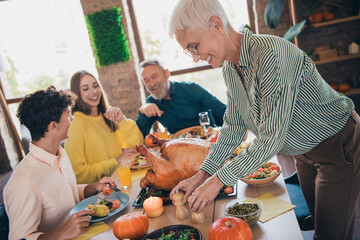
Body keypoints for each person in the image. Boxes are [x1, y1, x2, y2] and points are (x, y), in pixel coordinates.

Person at [168, 0, 360, 239]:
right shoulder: (230, 68)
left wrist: (218, 180)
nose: (195, 57)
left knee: (331, 235)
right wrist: (202, 175)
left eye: (194, 46)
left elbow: (270, 139)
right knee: (318, 226)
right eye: (189, 51)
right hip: (303, 154)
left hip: (336, 145)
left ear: (216, 24)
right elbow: (234, 127)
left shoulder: (270, 55)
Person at [4, 86, 116, 240]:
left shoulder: (58, 154)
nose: (72, 118)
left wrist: (93, 187)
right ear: (53, 126)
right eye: (68, 114)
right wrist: (63, 232)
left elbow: (63, 194)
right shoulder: (25, 183)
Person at [65, 70, 143, 184]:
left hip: (122, 177)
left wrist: (122, 120)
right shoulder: (75, 124)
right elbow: (78, 173)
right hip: (102, 190)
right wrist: (115, 160)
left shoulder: (108, 114)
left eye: (95, 86)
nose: (94, 92)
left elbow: (136, 145)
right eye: (86, 89)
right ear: (76, 94)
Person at [135, 59, 226, 136]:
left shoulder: (191, 88)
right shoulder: (151, 103)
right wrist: (142, 112)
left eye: (154, 76)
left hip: (209, 139)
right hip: (180, 149)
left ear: (166, 74)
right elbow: (140, 137)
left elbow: (222, 111)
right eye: (146, 80)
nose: (152, 84)